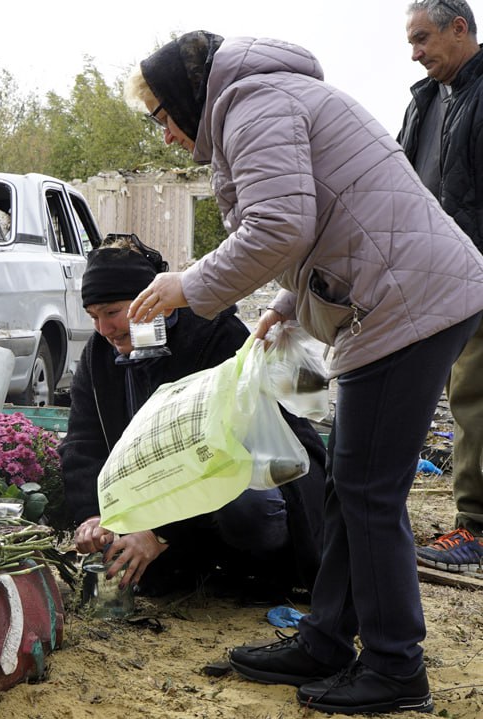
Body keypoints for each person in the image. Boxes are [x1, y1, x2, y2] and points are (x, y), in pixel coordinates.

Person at [126, 31, 483, 715]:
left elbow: (280, 225)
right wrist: (289, 303)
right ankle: (326, 637)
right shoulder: (260, 102)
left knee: (368, 492)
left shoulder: (253, 104)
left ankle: (395, 665)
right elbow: (326, 218)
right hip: (400, 296)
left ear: (183, 97)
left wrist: (190, 284)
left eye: (162, 118)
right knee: (350, 487)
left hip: (412, 302)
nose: (166, 136)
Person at [62, 237, 326, 602]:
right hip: (170, 497)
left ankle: (259, 569)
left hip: (246, 476)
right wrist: (92, 515)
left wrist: (160, 533)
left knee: (247, 509)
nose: (104, 329)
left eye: (112, 312)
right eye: (94, 317)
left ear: (151, 301)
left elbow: (216, 455)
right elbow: (83, 440)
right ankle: (191, 563)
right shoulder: (98, 356)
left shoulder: (214, 335)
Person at [398, 0, 483, 572]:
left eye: (423, 38)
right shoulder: (424, 102)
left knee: (474, 394)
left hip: (476, 272)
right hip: (436, 279)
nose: (416, 52)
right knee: (455, 393)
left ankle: (475, 528)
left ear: (461, 28)